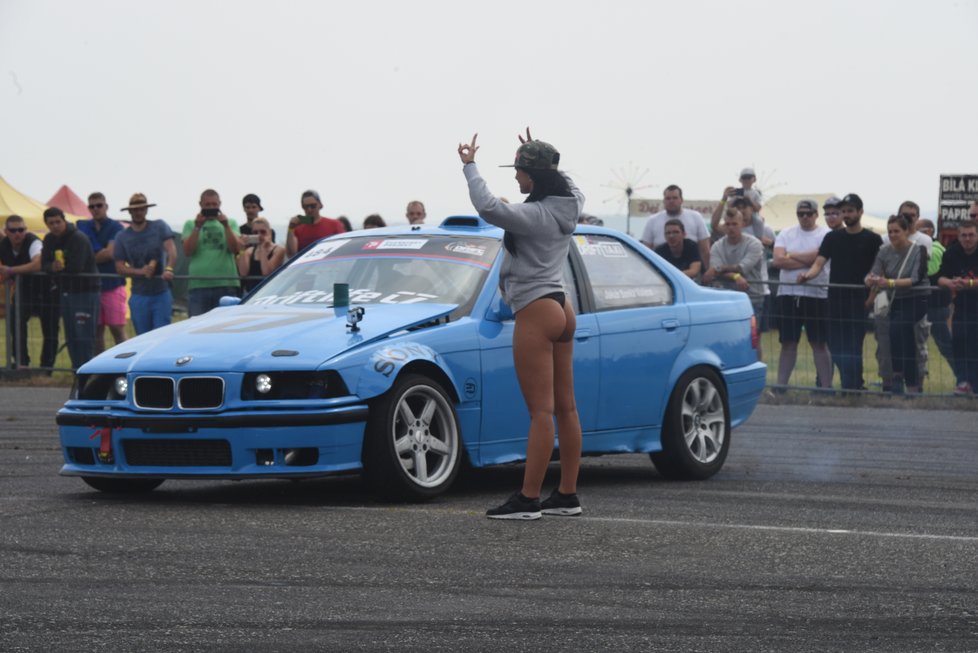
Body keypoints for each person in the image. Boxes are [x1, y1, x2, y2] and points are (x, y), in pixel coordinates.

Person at [458, 129, 584, 520]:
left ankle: (528, 499)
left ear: (536, 176)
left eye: (519, 170)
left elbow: (488, 207)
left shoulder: (534, 215)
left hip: (535, 308)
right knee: (567, 409)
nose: (515, 177)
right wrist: (543, 153)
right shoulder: (572, 203)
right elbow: (568, 181)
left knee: (541, 412)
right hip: (562, 308)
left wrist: (470, 166)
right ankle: (566, 495)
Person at [798, 194, 882, 391]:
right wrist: (807, 276)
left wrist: (871, 298)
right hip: (835, 299)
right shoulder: (832, 237)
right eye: (844, 211)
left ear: (860, 212)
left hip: (859, 300)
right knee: (834, 345)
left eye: (850, 210)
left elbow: (879, 270)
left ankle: (853, 386)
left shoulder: (873, 239)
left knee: (854, 345)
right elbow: (819, 262)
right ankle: (850, 383)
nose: (846, 214)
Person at [772, 199, 832, 388]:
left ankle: (826, 386)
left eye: (808, 213)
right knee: (788, 343)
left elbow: (820, 257)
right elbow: (778, 261)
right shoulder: (786, 233)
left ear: (816, 214)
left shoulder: (826, 234)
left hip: (817, 295)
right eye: (800, 214)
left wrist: (792, 255)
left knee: (819, 343)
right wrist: (810, 260)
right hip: (788, 294)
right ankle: (781, 386)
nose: (804, 217)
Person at [866, 215, 929, 394]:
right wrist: (870, 280)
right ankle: (910, 386)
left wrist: (890, 282)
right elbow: (874, 272)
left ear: (907, 231)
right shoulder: (883, 250)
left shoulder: (919, 250)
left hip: (917, 298)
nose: (893, 235)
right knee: (904, 340)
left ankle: (899, 375)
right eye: (890, 231)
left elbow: (916, 279)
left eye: (897, 231)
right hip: (895, 300)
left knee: (898, 329)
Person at [702, 207, 766, 361]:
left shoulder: (754, 244)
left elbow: (742, 267)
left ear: (742, 223)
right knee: (726, 339)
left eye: (734, 224)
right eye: (728, 224)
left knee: (753, 339)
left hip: (753, 298)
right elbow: (718, 271)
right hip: (726, 298)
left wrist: (720, 269)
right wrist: (735, 276)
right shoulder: (717, 245)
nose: (730, 228)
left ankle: (755, 370)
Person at [40, 207, 100, 369]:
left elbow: (76, 267)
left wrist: (57, 269)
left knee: (84, 335)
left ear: (64, 220)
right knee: (72, 336)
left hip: (85, 291)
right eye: (51, 223)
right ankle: (77, 371)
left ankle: (87, 371)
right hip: (66, 292)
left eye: (58, 222)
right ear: (46, 224)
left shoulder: (78, 238)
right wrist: (52, 267)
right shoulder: (49, 239)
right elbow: (43, 264)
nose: (55, 226)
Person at [113, 193, 177, 335]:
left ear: (146, 210)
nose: (138, 212)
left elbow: (171, 250)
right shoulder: (122, 237)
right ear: (129, 211)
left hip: (161, 292)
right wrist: (140, 272)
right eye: (135, 210)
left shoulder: (159, 226)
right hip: (139, 294)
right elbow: (120, 267)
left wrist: (169, 268)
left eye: (141, 209)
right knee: (143, 337)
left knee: (162, 335)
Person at [0, 215, 58, 369]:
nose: (17, 233)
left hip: (46, 291)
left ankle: (46, 369)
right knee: (16, 324)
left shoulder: (33, 242)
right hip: (24, 290)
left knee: (50, 332)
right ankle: (21, 364)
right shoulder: (3, 244)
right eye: (13, 230)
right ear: (6, 231)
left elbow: (37, 264)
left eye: (21, 229)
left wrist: (11, 271)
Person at [76, 192, 127, 354]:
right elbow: (101, 254)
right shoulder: (84, 226)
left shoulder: (116, 227)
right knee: (96, 331)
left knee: (117, 329)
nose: (96, 209)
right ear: (88, 208)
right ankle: (101, 371)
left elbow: (111, 253)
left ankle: (124, 365)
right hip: (92, 288)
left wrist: (88, 258)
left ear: (106, 206)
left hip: (113, 285)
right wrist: (98, 254)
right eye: (92, 206)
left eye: (99, 205)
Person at [182, 189, 241, 317]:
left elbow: (235, 249)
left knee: (226, 325)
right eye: (207, 205)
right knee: (196, 327)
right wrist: (197, 227)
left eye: (214, 205)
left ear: (220, 204)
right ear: (200, 204)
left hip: (226, 283)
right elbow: (187, 251)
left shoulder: (231, 223)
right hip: (198, 284)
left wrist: (226, 226)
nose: (211, 208)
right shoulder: (190, 224)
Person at [937, 216, 978, 394]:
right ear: (958, 236)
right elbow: (939, 277)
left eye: (971, 235)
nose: (967, 239)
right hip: (962, 307)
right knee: (960, 344)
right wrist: (949, 283)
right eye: (964, 235)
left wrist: (969, 283)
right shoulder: (951, 253)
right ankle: (963, 382)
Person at [917, 218, 956, 379]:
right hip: (930, 304)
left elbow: (930, 273)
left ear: (929, 231)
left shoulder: (934, 248)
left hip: (935, 305)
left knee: (946, 346)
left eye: (919, 230)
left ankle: (964, 377)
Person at [640, 185, 711, 268]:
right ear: (664, 201)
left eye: (675, 198)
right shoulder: (652, 220)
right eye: (668, 198)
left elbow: (705, 250)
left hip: (692, 269)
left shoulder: (696, 217)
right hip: (662, 269)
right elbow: (646, 251)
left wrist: (707, 272)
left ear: (681, 200)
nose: (671, 201)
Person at [286, 190, 345, 256]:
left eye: (313, 206)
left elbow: (344, 248)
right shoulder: (298, 228)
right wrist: (291, 228)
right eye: (306, 207)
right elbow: (291, 254)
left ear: (320, 204)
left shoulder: (334, 225)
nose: (309, 209)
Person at [238, 217, 285, 293]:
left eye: (262, 232)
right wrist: (242, 249)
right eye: (255, 232)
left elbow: (266, 272)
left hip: (271, 291)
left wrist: (263, 247)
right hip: (252, 291)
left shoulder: (279, 250)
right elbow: (243, 273)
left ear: (269, 232)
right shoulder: (249, 251)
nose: (259, 235)